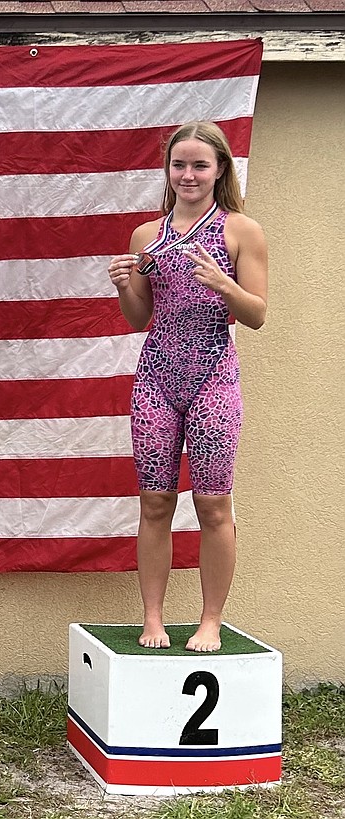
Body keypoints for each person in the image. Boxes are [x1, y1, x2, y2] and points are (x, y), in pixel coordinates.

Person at [107, 121, 268, 652]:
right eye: (180, 164)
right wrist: (125, 286)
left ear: (221, 168)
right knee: (154, 501)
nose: (189, 174)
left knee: (213, 504)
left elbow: (258, 315)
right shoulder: (147, 235)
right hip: (156, 375)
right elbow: (139, 319)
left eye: (200, 164)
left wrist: (225, 283)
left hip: (213, 373)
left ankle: (210, 620)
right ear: (168, 169)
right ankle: (152, 617)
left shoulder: (240, 229)